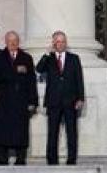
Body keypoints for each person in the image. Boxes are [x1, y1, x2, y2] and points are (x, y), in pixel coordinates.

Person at [36, 31, 86, 165]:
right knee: (52, 132)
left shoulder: (74, 58)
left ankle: (71, 159)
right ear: (53, 43)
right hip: (53, 101)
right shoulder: (49, 58)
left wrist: (81, 98)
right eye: (58, 41)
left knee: (71, 132)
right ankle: (52, 160)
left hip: (71, 100)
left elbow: (79, 79)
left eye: (63, 41)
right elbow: (39, 69)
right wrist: (47, 53)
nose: (61, 44)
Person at [0, 31, 38, 165]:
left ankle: (21, 158)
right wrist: (15, 70)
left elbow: (31, 80)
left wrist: (33, 101)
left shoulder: (26, 57)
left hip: (21, 100)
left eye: (15, 40)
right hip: (3, 100)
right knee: (1, 130)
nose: (13, 43)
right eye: (10, 40)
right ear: (5, 41)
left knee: (20, 130)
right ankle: (2, 158)